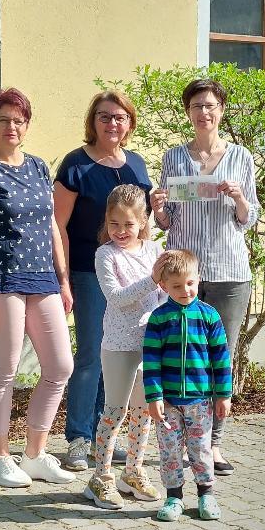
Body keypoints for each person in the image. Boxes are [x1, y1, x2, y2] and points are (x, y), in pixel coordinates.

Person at [0, 87, 75, 488]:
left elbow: (51, 228)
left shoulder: (40, 168)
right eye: (4, 119)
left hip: (43, 279)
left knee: (60, 366)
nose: (12, 126)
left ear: (27, 126)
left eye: (19, 120)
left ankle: (35, 454)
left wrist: (63, 280)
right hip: (2, 280)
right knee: (4, 371)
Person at [149, 78, 259, 476]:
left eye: (210, 105)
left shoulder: (241, 157)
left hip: (229, 272)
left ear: (221, 110)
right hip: (183, 276)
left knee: (218, 360)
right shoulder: (174, 158)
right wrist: (158, 207)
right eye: (197, 106)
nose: (204, 112)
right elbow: (167, 223)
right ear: (188, 112)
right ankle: (179, 440)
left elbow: (249, 220)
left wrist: (239, 199)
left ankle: (213, 446)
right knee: (180, 357)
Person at [54, 91, 153, 471]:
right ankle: (78, 437)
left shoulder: (137, 165)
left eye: (120, 117)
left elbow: (141, 221)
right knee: (92, 354)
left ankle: (105, 436)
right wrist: (63, 278)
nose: (112, 124)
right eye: (104, 117)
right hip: (88, 270)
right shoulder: (75, 165)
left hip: (133, 274)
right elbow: (57, 226)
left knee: (119, 354)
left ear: (129, 123)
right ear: (92, 121)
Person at [83, 185, 166, 509]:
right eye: (114, 223)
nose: (120, 231)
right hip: (119, 346)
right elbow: (117, 298)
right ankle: (100, 478)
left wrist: (164, 290)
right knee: (114, 413)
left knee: (143, 413)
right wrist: (153, 281)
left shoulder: (152, 251)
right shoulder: (105, 254)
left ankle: (132, 472)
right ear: (107, 220)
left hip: (150, 344)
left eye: (128, 225)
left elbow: (159, 297)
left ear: (143, 220)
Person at [143, 249, 232, 522]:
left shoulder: (209, 316)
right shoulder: (159, 318)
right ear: (164, 286)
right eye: (177, 286)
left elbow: (221, 357)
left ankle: (206, 494)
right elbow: (151, 360)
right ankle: (174, 498)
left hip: (200, 401)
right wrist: (154, 396)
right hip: (168, 402)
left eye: (190, 284)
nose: (185, 291)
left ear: (198, 279)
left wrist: (223, 394)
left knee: (201, 449)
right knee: (169, 450)